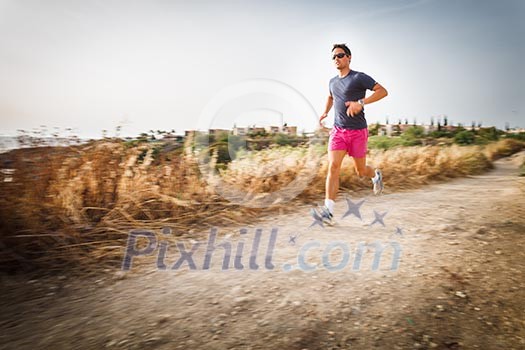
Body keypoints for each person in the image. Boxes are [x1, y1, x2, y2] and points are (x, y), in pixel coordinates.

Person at [315, 43, 388, 225]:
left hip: (358, 132)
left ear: (349, 57)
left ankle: (375, 176)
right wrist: (325, 111)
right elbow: (331, 96)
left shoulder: (359, 77)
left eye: (340, 55)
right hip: (338, 131)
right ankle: (329, 211)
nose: (336, 59)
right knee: (333, 167)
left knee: (360, 170)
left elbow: (383, 91)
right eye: (333, 57)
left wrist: (360, 102)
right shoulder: (332, 81)